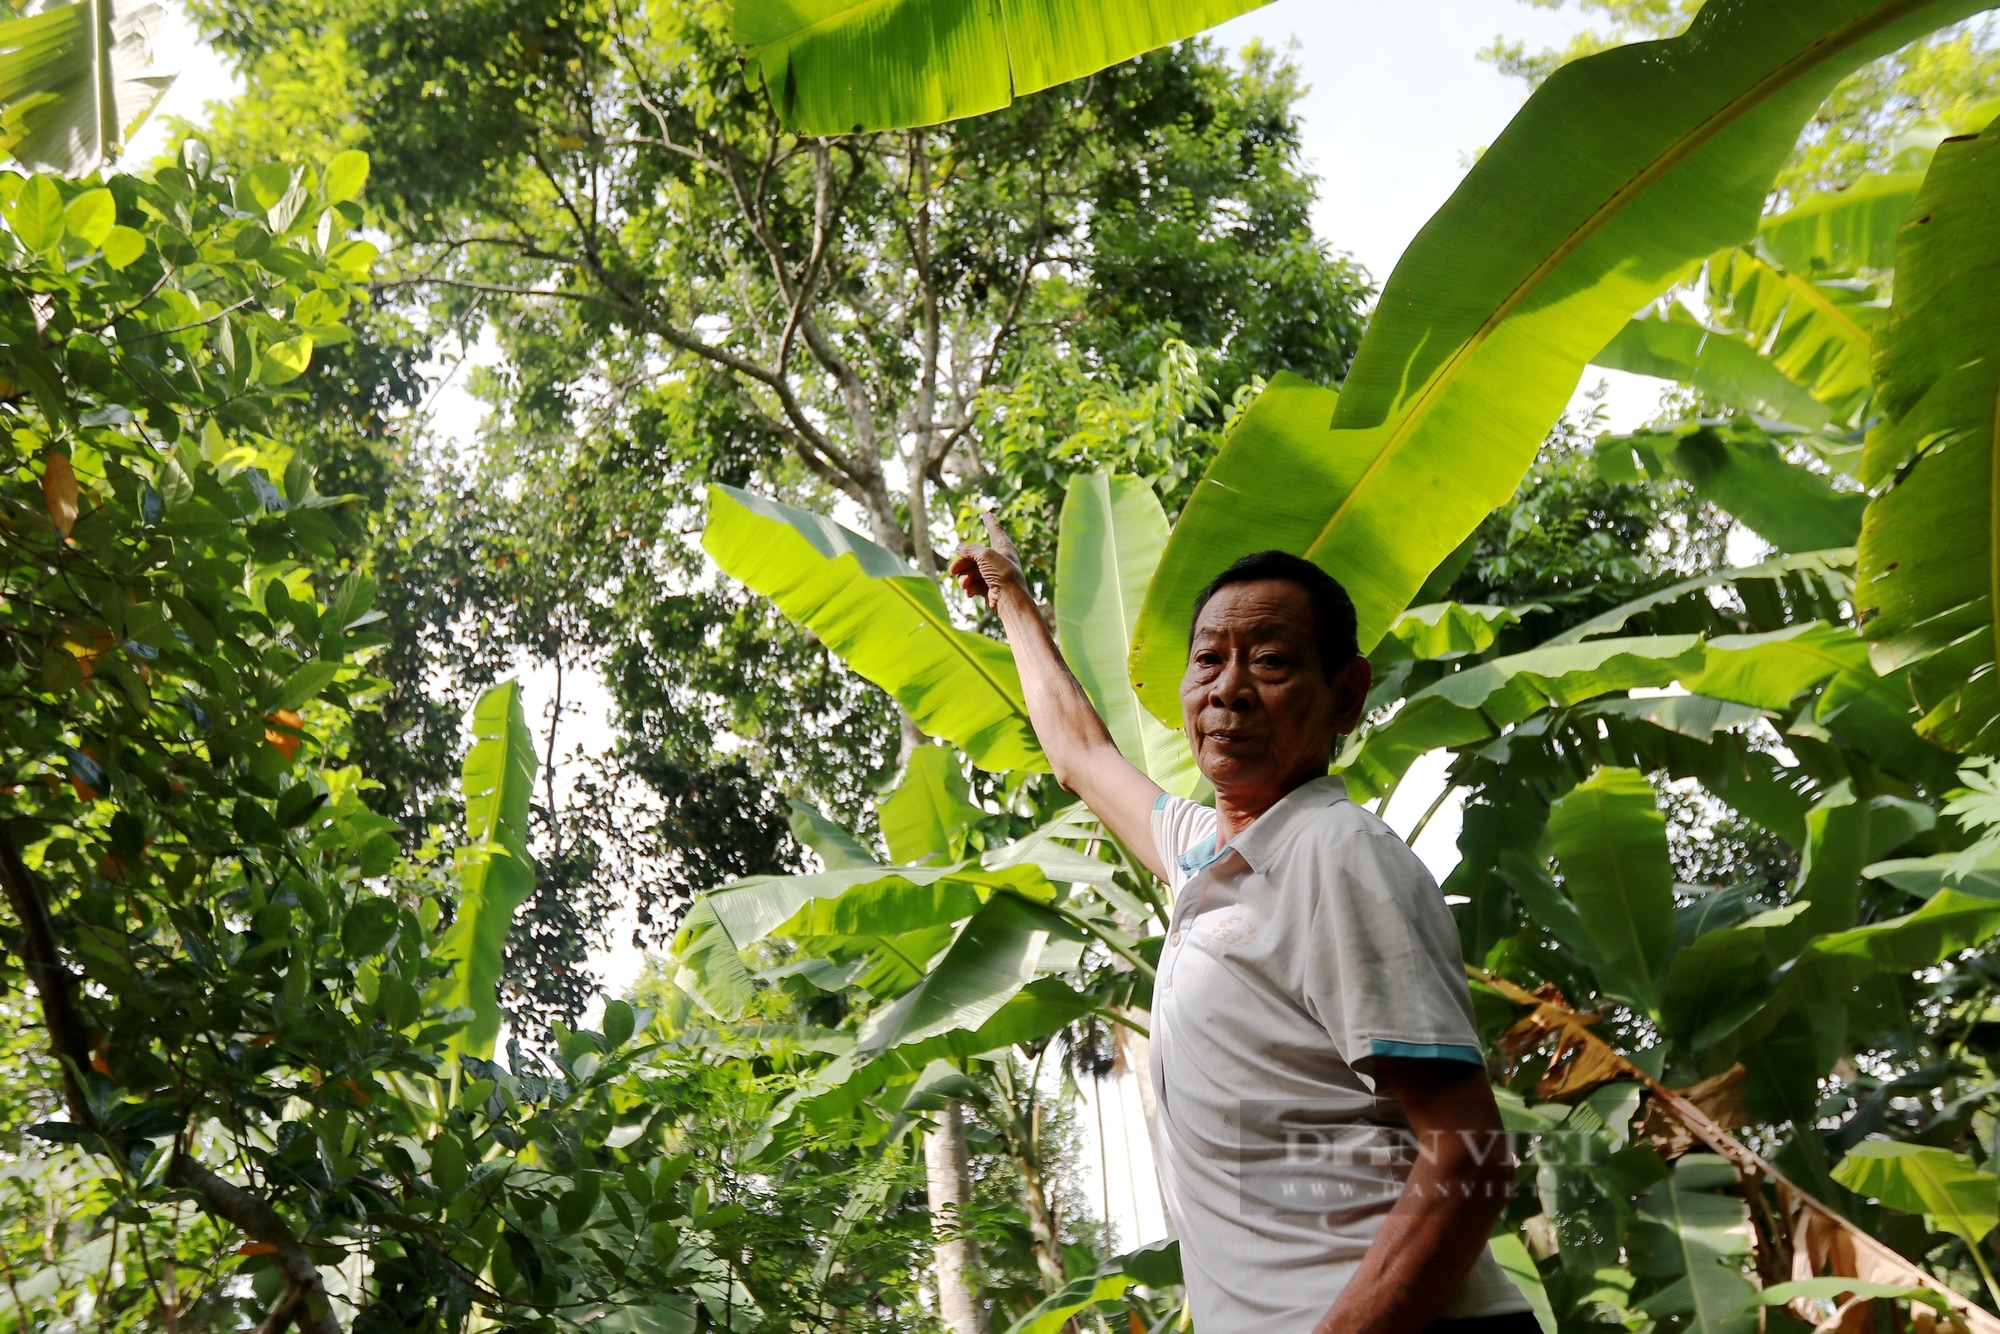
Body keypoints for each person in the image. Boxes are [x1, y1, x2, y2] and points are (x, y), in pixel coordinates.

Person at [951, 517, 1535, 1334]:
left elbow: (1469, 1151)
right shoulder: (1210, 855)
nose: (1228, 689)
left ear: (1348, 694)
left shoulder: (1336, 852)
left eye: (1270, 660)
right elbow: (1080, 755)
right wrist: (1012, 596)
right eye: (1208, 660)